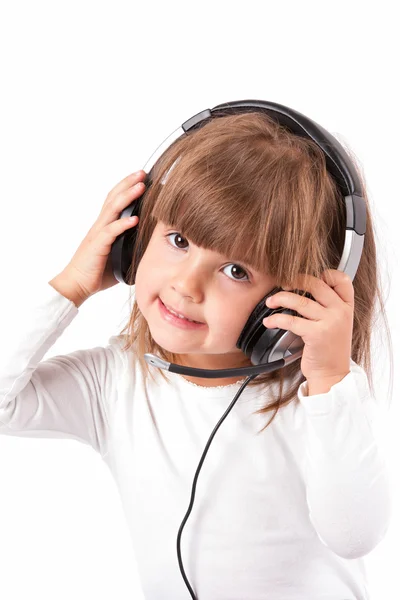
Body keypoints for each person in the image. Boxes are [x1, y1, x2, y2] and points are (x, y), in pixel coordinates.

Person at [0, 110, 393, 599]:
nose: (186, 285)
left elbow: (354, 536)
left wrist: (331, 381)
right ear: (133, 239)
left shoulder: (322, 398)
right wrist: (71, 285)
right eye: (179, 240)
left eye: (235, 270)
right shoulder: (115, 382)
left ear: (298, 297)